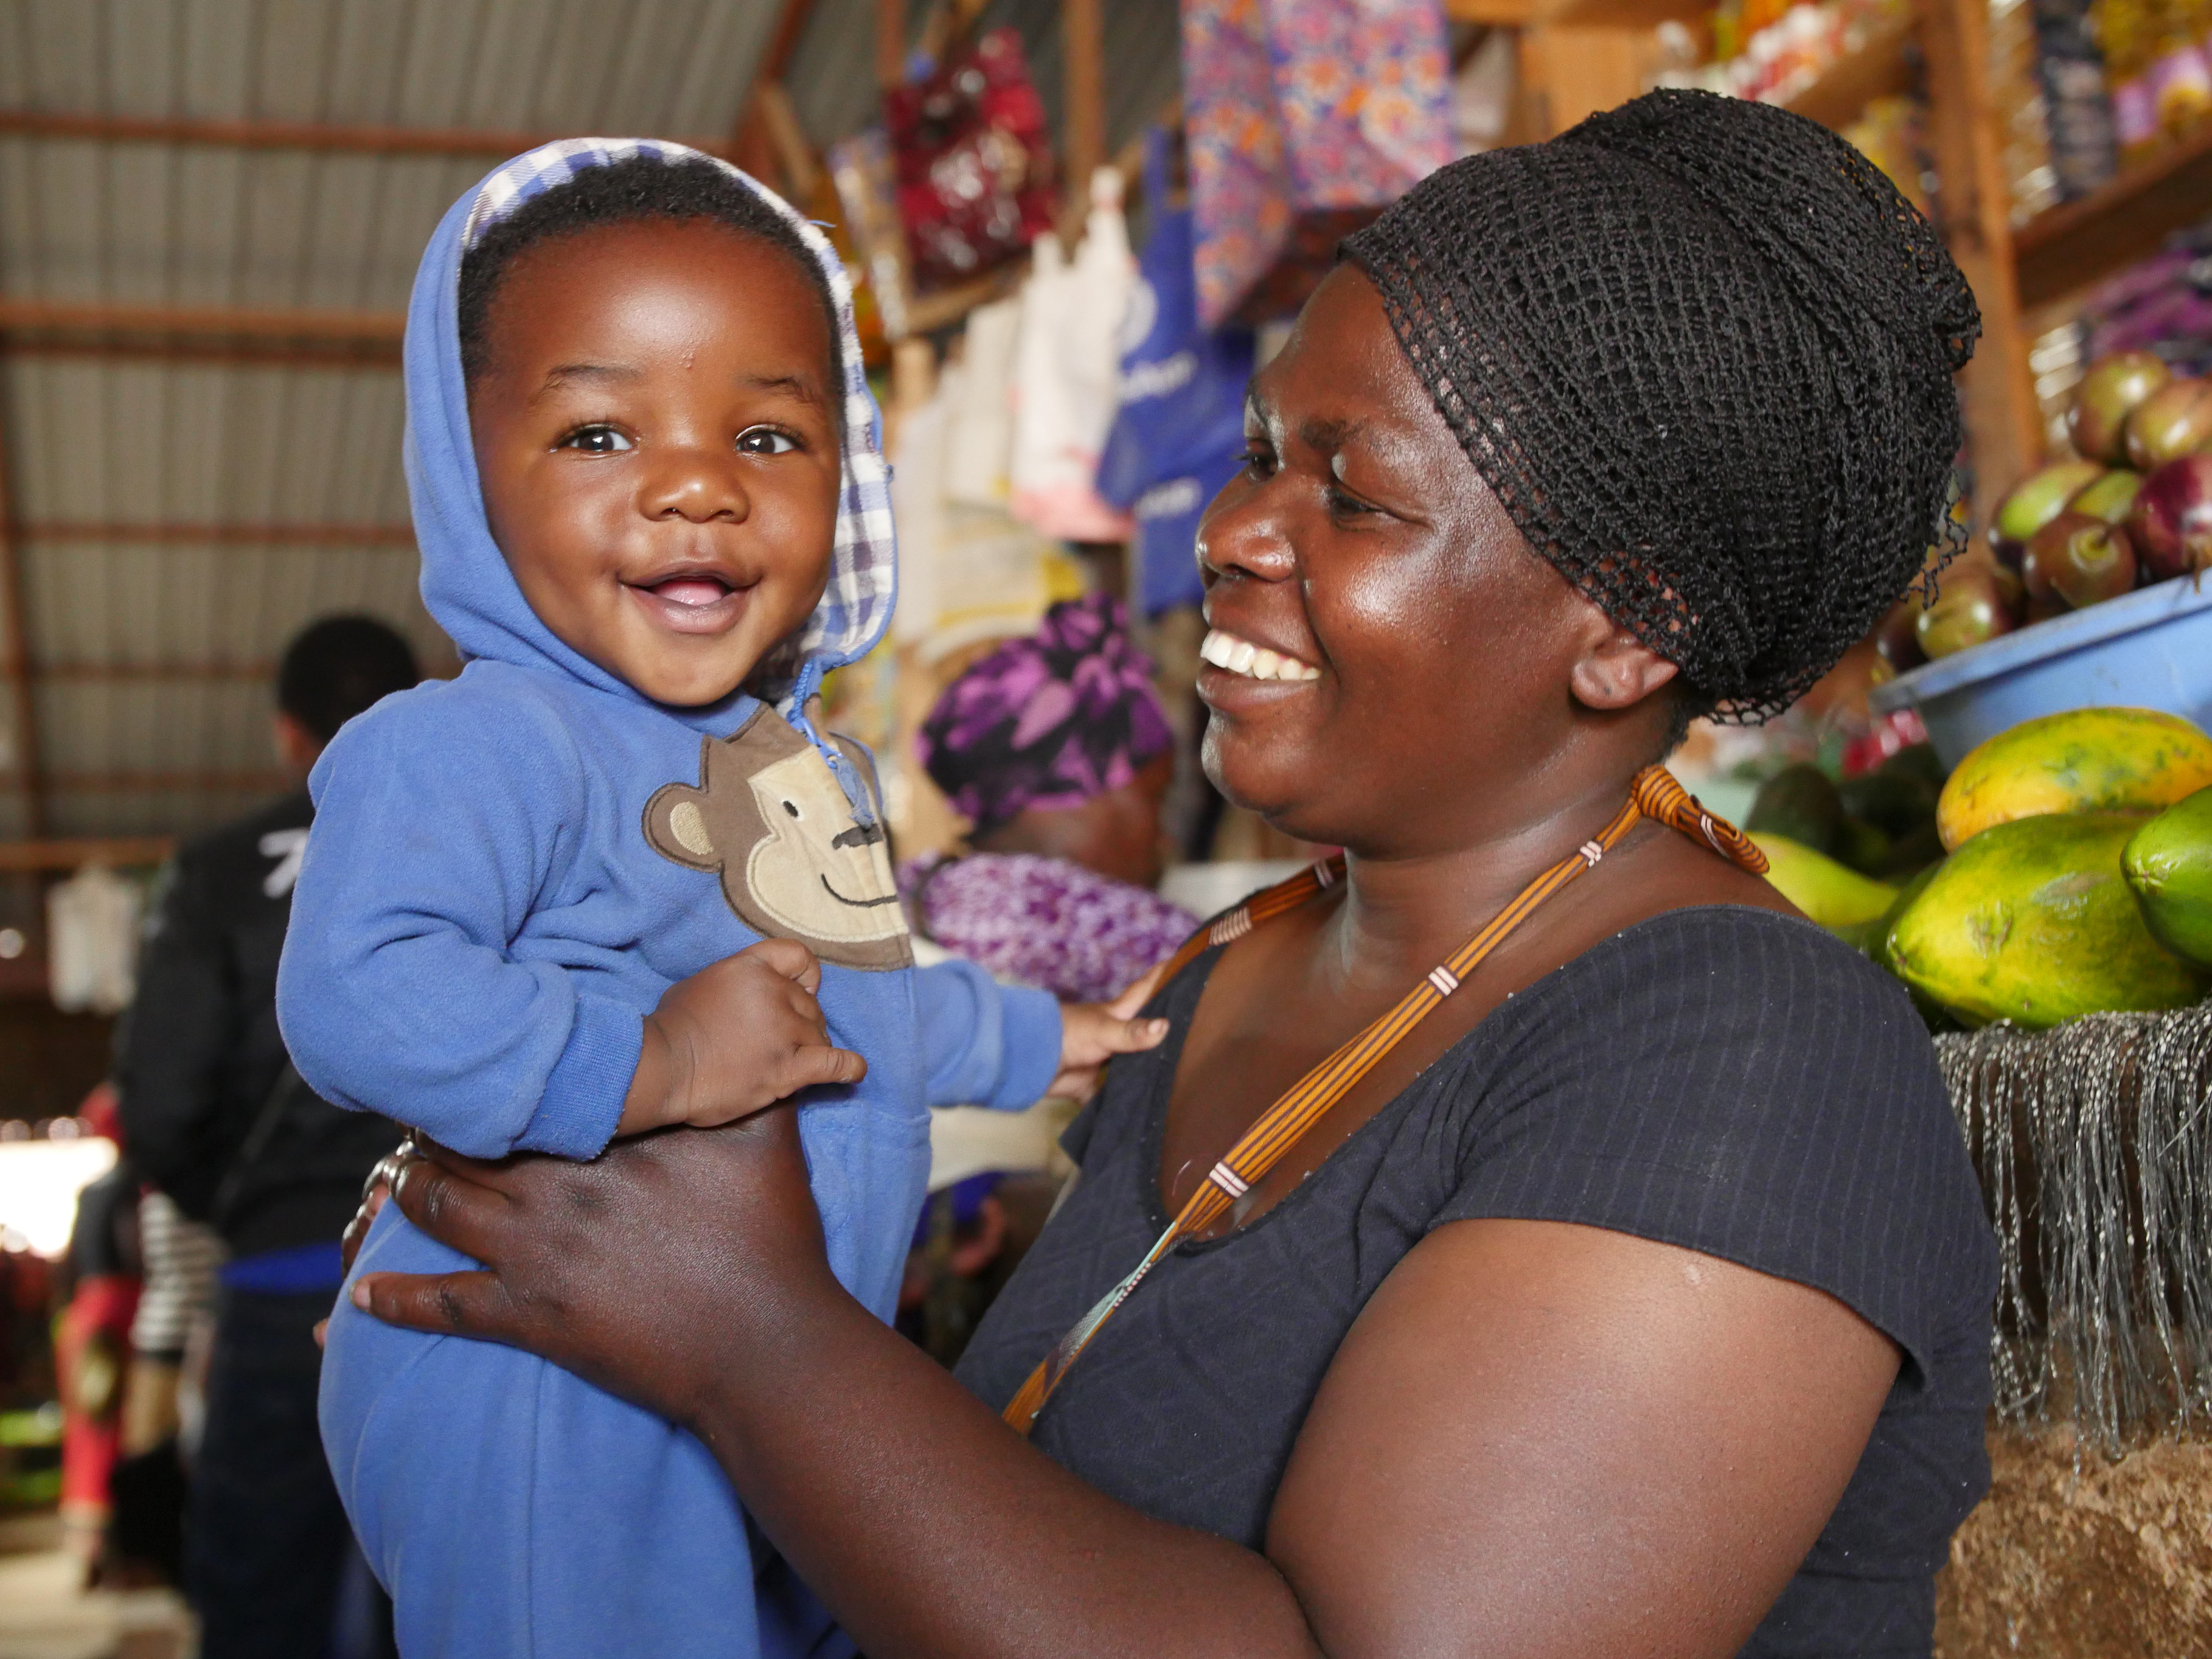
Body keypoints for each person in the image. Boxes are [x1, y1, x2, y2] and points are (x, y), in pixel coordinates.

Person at [346, 92, 2000, 1658]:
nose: (1232, 530)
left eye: (1349, 493)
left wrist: (752, 1339)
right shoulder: (1220, 977)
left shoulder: (1744, 1054)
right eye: (1262, 450)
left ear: (1628, 626)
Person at [280, 141, 1162, 1659]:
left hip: (748, 1359)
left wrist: (1043, 1042)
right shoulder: (489, 739)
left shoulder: (791, 763)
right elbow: (361, 990)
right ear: (467, 464)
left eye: (766, 434)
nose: (695, 484)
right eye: (600, 431)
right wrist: (664, 1066)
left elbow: (859, 1002)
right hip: (548, 1383)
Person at [116, 613, 418, 1656]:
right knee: (449, 1592)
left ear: (289, 735)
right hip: (459, 1281)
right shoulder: (485, 847)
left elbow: (159, 1100)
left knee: (263, 1599)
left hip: (280, 1287)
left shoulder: (212, 873)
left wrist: (252, 1213)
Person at [905, 591, 1196, 1005]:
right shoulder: (1098, 927)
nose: (1165, 839)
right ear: (1069, 796)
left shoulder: (925, 890)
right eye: (1156, 800)